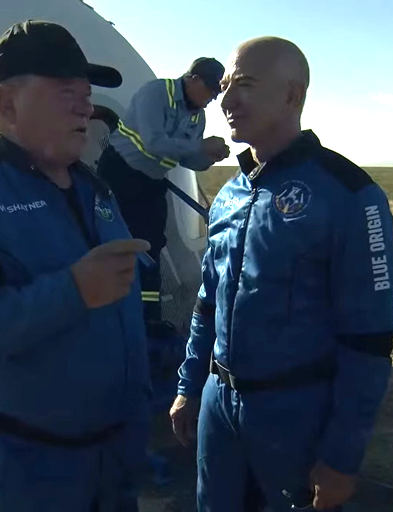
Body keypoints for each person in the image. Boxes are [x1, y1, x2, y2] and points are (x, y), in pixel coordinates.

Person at [0, 20, 153, 512]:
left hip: (114, 453)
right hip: (32, 465)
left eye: (86, 93)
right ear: (9, 104)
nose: (86, 106)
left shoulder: (95, 190)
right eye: (66, 92)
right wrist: (71, 291)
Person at [169, 35, 393, 512]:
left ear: (293, 95)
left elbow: (370, 340)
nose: (226, 99)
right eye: (225, 84)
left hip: (296, 415)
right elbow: (208, 301)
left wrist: (342, 457)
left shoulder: (350, 195)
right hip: (218, 406)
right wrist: (191, 385)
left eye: (244, 84)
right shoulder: (230, 194)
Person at [97, 57, 230, 323]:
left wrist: (209, 158)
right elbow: (154, 143)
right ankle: (108, 309)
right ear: (193, 79)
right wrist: (200, 147)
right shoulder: (156, 93)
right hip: (119, 173)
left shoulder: (197, 118)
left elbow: (189, 160)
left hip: (151, 183)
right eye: (212, 89)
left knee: (152, 244)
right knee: (114, 238)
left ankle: (149, 315)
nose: (214, 98)